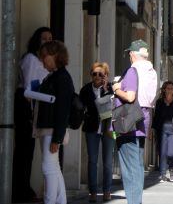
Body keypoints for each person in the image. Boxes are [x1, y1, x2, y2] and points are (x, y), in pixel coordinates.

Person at [112, 39, 158, 204]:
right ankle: (136, 201)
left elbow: (130, 96)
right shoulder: (152, 72)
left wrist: (116, 88)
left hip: (127, 121)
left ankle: (134, 201)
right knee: (137, 166)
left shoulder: (132, 71)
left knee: (129, 167)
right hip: (142, 120)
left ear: (132, 54)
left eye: (129, 54)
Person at [13, 26, 53, 203]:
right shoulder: (30, 59)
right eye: (44, 38)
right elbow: (29, 89)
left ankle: (25, 189)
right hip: (26, 106)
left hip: (36, 106)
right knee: (24, 151)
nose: (48, 41)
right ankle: (20, 191)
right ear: (37, 40)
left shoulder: (44, 61)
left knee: (29, 152)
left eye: (50, 38)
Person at [34, 40, 74, 204]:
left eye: (44, 56)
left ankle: (50, 201)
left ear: (55, 55)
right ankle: (60, 201)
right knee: (53, 168)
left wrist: (57, 138)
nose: (42, 60)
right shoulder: (57, 76)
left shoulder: (61, 77)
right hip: (51, 129)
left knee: (48, 168)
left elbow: (62, 109)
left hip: (52, 130)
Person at [80, 62, 115, 202]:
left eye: (101, 74)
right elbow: (81, 107)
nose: (97, 76)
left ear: (106, 75)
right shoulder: (85, 90)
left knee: (108, 161)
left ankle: (107, 191)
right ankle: (93, 192)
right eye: (94, 73)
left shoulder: (111, 88)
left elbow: (114, 106)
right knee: (92, 160)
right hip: (91, 127)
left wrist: (106, 89)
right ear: (91, 75)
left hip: (108, 127)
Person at [151, 82, 173, 182]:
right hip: (161, 130)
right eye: (168, 88)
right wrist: (152, 129)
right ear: (164, 90)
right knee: (162, 153)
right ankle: (162, 174)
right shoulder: (160, 102)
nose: (170, 90)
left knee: (171, 152)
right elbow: (156, 117)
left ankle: (172, 168)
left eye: (171, 88)